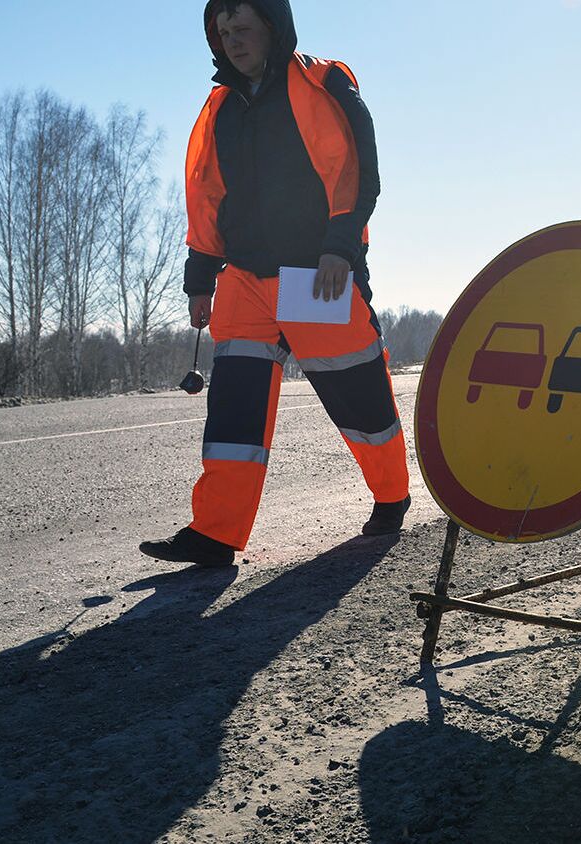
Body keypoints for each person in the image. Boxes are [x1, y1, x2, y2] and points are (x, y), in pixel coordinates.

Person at [140, 0, 410, 567]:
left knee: (356, 392)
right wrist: (199, 280)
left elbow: (360, 171)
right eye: (221, 31)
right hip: (243, 276)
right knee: (233, 410)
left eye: (242, 28)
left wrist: (339, 247)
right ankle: (215, 534)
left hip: (315, 272)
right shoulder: (220, 108)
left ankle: (392, 497)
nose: (232, 40)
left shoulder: (323, 80)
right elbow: (207, 195)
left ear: (272, 26)